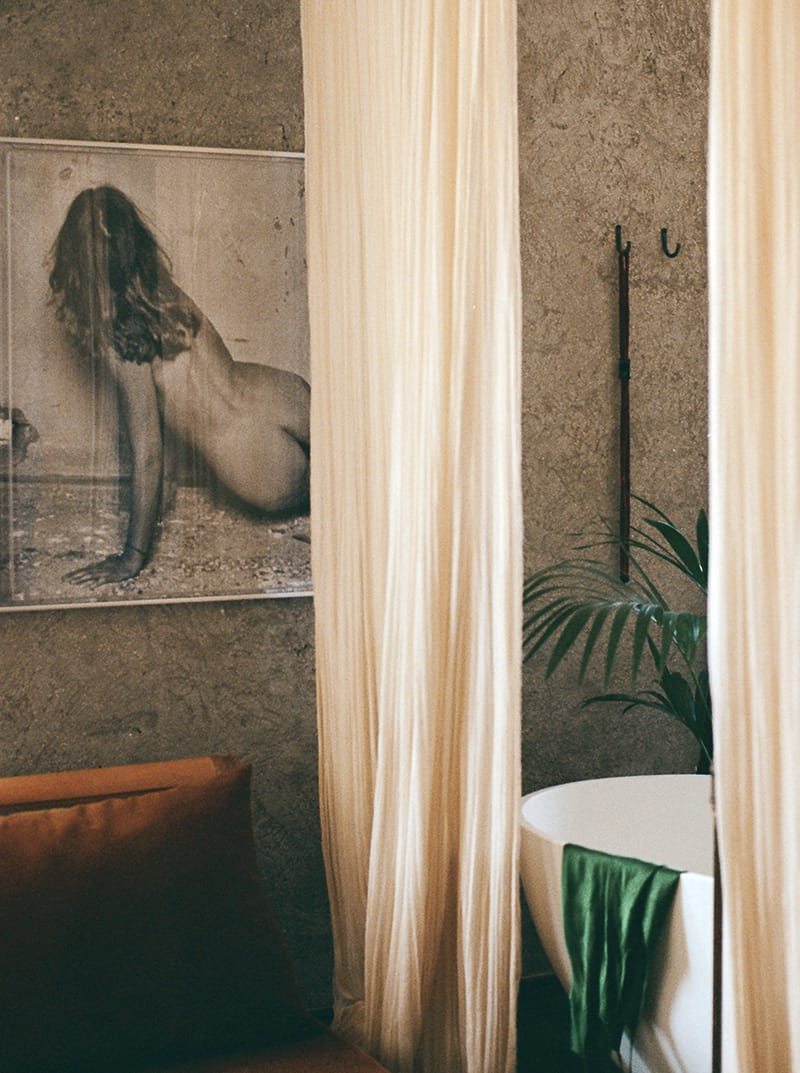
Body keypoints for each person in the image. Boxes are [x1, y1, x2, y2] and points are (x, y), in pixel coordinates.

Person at [49, 185, 310, 587]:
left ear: (75, 261)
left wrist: (132, 557)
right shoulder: (161, 289)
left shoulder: (122, 338)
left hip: (258, 463)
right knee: (375, 470)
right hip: (284, 394)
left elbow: (148, 455)